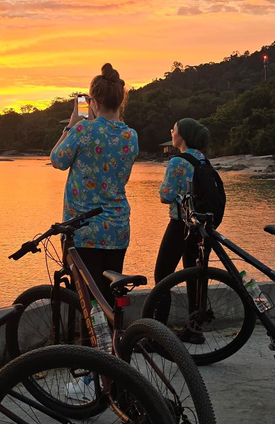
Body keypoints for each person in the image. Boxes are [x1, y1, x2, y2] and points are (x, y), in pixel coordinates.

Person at [50, 63, 138, 305]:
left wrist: (71, 124)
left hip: (84, 231)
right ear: (120, 101)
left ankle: (91, 343)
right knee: (109, 298)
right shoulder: (131, 136)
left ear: (94, 103)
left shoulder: (82, 130)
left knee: (88, 303)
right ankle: (114, 341)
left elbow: (57, 159)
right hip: (118, 227)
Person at [155, 118, 210, 343]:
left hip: (180, 224)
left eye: (174, 129)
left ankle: (156, 333)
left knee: (162, 276)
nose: (171, 132)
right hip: (201, 225)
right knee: (193, 274)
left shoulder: (177, 161)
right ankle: (194, 329)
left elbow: (165, 196)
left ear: (182, 136)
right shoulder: (203, 159)